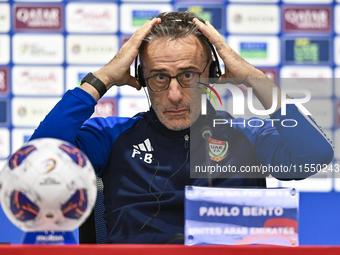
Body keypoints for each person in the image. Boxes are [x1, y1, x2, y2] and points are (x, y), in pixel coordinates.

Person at [30, 12, 333, 243]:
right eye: (159, 77)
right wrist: (103, 77)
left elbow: (315, 154)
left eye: (188, 75)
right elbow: (38, 159)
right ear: (141, 78)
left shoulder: (248, 135)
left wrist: (254, 78)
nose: (174, 95)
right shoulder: (112, 136)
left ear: (212, 73)